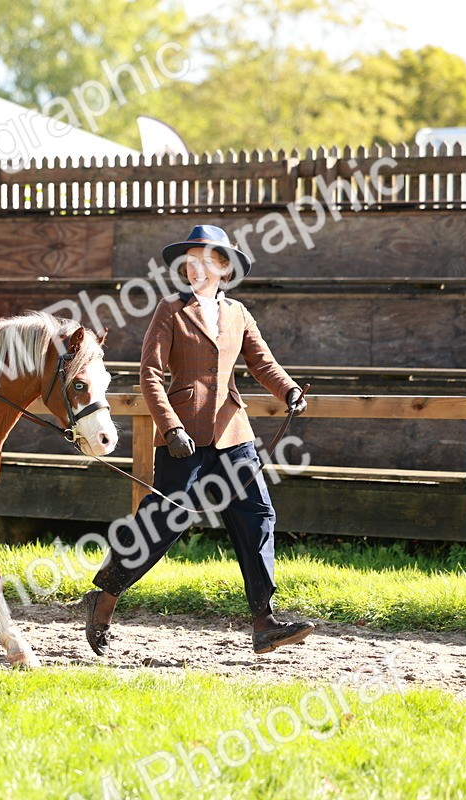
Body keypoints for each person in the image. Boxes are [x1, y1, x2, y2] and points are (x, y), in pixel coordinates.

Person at [82, 225, 314, 656]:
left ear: (224, 268)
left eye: (205, 261)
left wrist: (290, 391)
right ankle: (105, 598)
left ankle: (264, 621)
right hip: (182, 438)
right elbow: (150, 375)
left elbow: (263, 362)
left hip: (233, 433)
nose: (195, 268)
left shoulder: (239, 314)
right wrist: (171, 428)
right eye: (189, 262)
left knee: (258, 516)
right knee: (161, 524)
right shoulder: (170, 309)